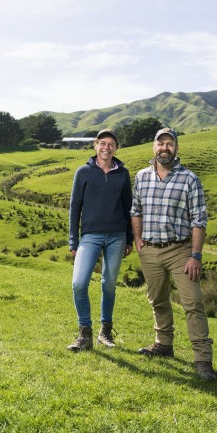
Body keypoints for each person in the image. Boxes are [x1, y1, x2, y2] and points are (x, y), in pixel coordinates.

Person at [130, 127, 215, 381]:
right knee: (157, 299)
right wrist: (137, 239)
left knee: (192, 303)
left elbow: (199, 220)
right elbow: (136, 210)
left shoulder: (190, 179)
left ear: (176, 148)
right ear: (153, 147)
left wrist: (195, 255)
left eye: (169, 144)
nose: (164, 148)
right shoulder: (141, 177)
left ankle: (202, 360)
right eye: (160, 143)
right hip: (150, 251)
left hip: (181, 251)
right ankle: (163, 344)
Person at [67, 128, 133, 352]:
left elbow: (128, 207)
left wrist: (130, 239)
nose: (107, 147)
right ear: (95, 145)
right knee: (79, 283)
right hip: (90, 236)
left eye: (111, 144)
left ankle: (105, 332)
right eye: (103, 143)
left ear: (116, 148)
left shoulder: (123, 174)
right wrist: (73, 241)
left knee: (109, 284)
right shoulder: (83, 172)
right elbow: (75, 208)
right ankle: (84, 333)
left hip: (117, 236)